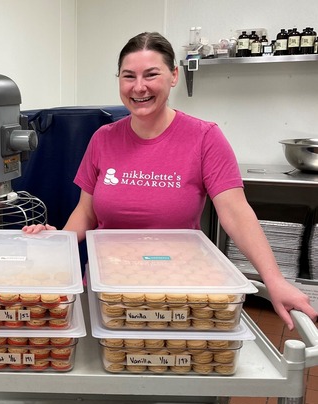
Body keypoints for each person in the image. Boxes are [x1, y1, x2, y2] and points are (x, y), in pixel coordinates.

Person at [23, 31, 316, 330]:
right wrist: (57, 240)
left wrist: (275, 280)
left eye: (151, 74)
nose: (139, 87)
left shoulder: (204, 138)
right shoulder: (103, 139)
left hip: (176, 290)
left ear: (174, 75)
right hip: (109, 286)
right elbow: (86, 211)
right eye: (128, 76)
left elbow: (236, 213)